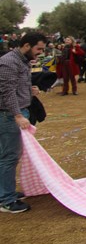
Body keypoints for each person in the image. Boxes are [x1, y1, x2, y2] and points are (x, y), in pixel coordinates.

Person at [0, 32, 47, 213]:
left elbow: (15, 86)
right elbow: (7, 92)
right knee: (9, 157)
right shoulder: (9, 62)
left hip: (14, 113)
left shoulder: (21, 61)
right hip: (9, 116)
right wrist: (17, 115)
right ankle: (6, 199)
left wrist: (29, 91)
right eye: (38, 49)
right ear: (27, 45)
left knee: (9, 155)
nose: (40, 53)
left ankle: (6, 191)